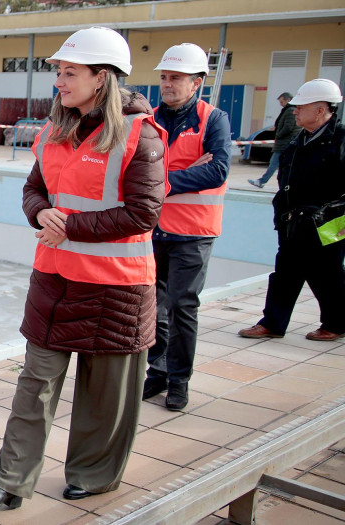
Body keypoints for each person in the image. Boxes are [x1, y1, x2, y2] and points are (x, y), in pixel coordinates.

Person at [0, 27, 166, 510]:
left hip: (117, 290)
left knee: (106, 397)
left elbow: (144, 213)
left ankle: (93, 474)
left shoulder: (141, 137)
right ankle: (12, 479)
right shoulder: (52, 131)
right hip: (55, 283)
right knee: (34, 386)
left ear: (102, 78)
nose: (59, 80)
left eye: (70, 72)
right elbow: (34, 189)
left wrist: (71, 226)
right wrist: (40, 212)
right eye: (58, 71)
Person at [143, 43, 232, 411]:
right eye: (164, 77)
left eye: (176, 78)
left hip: (193, 232)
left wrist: (162, 181)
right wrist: (184, 173)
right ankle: (158, 370)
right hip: (153, 229)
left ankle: (179, 380)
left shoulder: (214, 120)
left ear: (196, 83)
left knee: (182, 307)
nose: (167, 83)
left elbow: (217, 169)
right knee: (154, 307)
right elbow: (136, 168)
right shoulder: (149, 118)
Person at [239, 79, 345, 342]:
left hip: (329, 223)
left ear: (320, 110)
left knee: (328, 273)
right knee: (285, 273)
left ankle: (336, 323)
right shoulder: (300, 140)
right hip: (294, 221)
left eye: (301, 107)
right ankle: (273, 323)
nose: (294, 111)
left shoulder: (341, 140)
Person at [249, 92, 297, 188]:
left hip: (284, 143)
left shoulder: (290, 110)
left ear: (289, 100)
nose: (281, 104)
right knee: (281, 165)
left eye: (282, 102)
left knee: (274, 163)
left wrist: (278, 134)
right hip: (285, 142)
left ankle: (262, 181)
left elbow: (288, 127)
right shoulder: (289, 110)